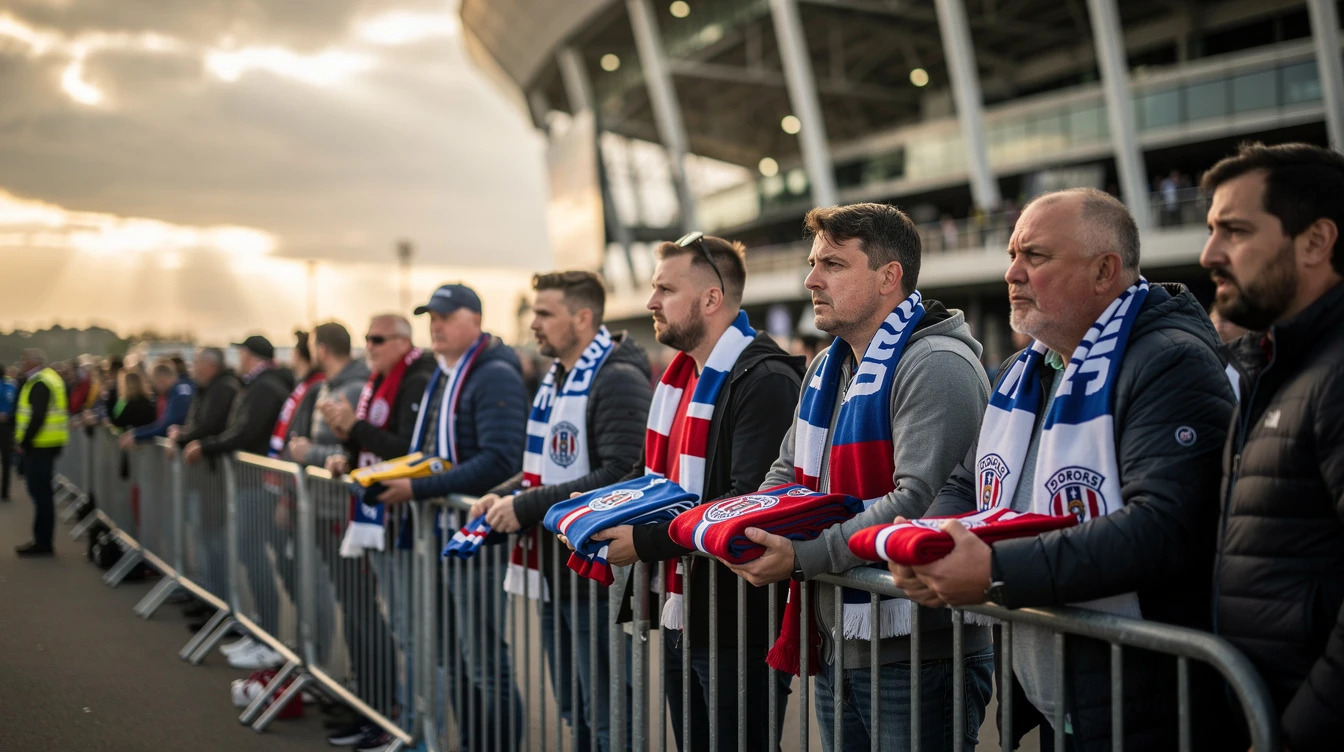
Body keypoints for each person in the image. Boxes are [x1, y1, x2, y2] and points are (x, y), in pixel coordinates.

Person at [892, 187, 1235, 751]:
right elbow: (964, 481)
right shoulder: (1020, 373)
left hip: (1145, 709)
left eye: (1036, 256)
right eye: (1011, 256)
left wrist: (995, 567)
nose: (1013, 273)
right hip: (1060, 699)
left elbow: (1167, 527)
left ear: (1105, 271)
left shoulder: (1171, 361)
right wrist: (929, 544)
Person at [724, 203, 995, 751]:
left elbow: (913, 500)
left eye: (833, 264)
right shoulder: (829, 366)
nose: (811, 279)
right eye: (812, 262)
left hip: (919, 648)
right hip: (838, 636)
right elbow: (785, 470)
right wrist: (752, 526)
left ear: (888, 277)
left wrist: (800, 554)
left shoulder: (936, 363)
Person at [587, 233, 806, 752]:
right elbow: (657, 486)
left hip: (738, 623)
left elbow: (745, 505)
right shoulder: (682, 380)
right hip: (686, 605)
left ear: (711, 300)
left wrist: (644, 543)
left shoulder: (764, 378)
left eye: (665, 288)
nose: (650, 302)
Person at [1200, 142, 1344, 751]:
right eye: (1212, 230)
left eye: (1234, 230)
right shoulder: (1277, 365)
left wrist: (1293, 733)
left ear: (1315, 241)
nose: (1209, 254)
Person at [469, 271, 652, 752]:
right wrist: (502, 492)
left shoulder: (616, 379)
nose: (534, 324)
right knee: (577, 712)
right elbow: (541, 470)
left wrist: (524, 506)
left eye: (544, 313)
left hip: (594, 576)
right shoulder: (557, 378)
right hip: (557, 570)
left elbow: (621, 476)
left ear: (583, 317)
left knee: (609, 718)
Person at [372, 284, 528, 752]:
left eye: (445, 315)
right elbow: (431, 454)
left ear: (475, 319)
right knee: (453, 660)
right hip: (442, 534)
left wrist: (417, 488)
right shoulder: (447, 372)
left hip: (474, 538)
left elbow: (501, 460)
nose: (434, 325)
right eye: (430, 317)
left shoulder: (493, 373)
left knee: (482, 663)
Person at [317, 314, 435, 750]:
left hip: (404, 522)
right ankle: (402, 722)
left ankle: (418, 731)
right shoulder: (374, 383)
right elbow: (370, 447)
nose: (369, 345)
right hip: (380, 519)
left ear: (404, 342)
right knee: (402, 628)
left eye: (378, 339)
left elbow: (406, 449)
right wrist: (344, 451)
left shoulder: (417, 378)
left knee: (413, 632)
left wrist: (355, 430)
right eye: (367, 338)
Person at [286, 323, 369, 469]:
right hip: (322, 489)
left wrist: (309, 453)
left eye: (312, 348)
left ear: (322, 351)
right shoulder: (325, 387)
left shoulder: (356, 390)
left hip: (341, 489)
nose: (310, 354)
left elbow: (359, 450)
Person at [14, 348, 69, 556]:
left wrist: (24, 442)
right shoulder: (49, 378)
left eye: (24, 359)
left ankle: (43, 542)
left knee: (41, 494)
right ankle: (42, 539)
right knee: (41, 494)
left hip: (40, 445)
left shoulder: (40, 382)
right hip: (47, 444)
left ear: (33, 362)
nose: (21, 363)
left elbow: (37, 416)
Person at [121, 362, 195, 449]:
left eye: (153, 382)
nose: (153, 388)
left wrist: (136, 434)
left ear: (161, 379)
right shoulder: (186, 386)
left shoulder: (178, 394)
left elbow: (166, 426)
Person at [0, 363, 16, 501]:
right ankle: (4, 491)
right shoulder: (10, 385)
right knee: (6, 460)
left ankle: (5, 491)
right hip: (6, 427)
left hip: (5, 427)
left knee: (6, 459)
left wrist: (7, 415)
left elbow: (15, 405)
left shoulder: (10, 385)